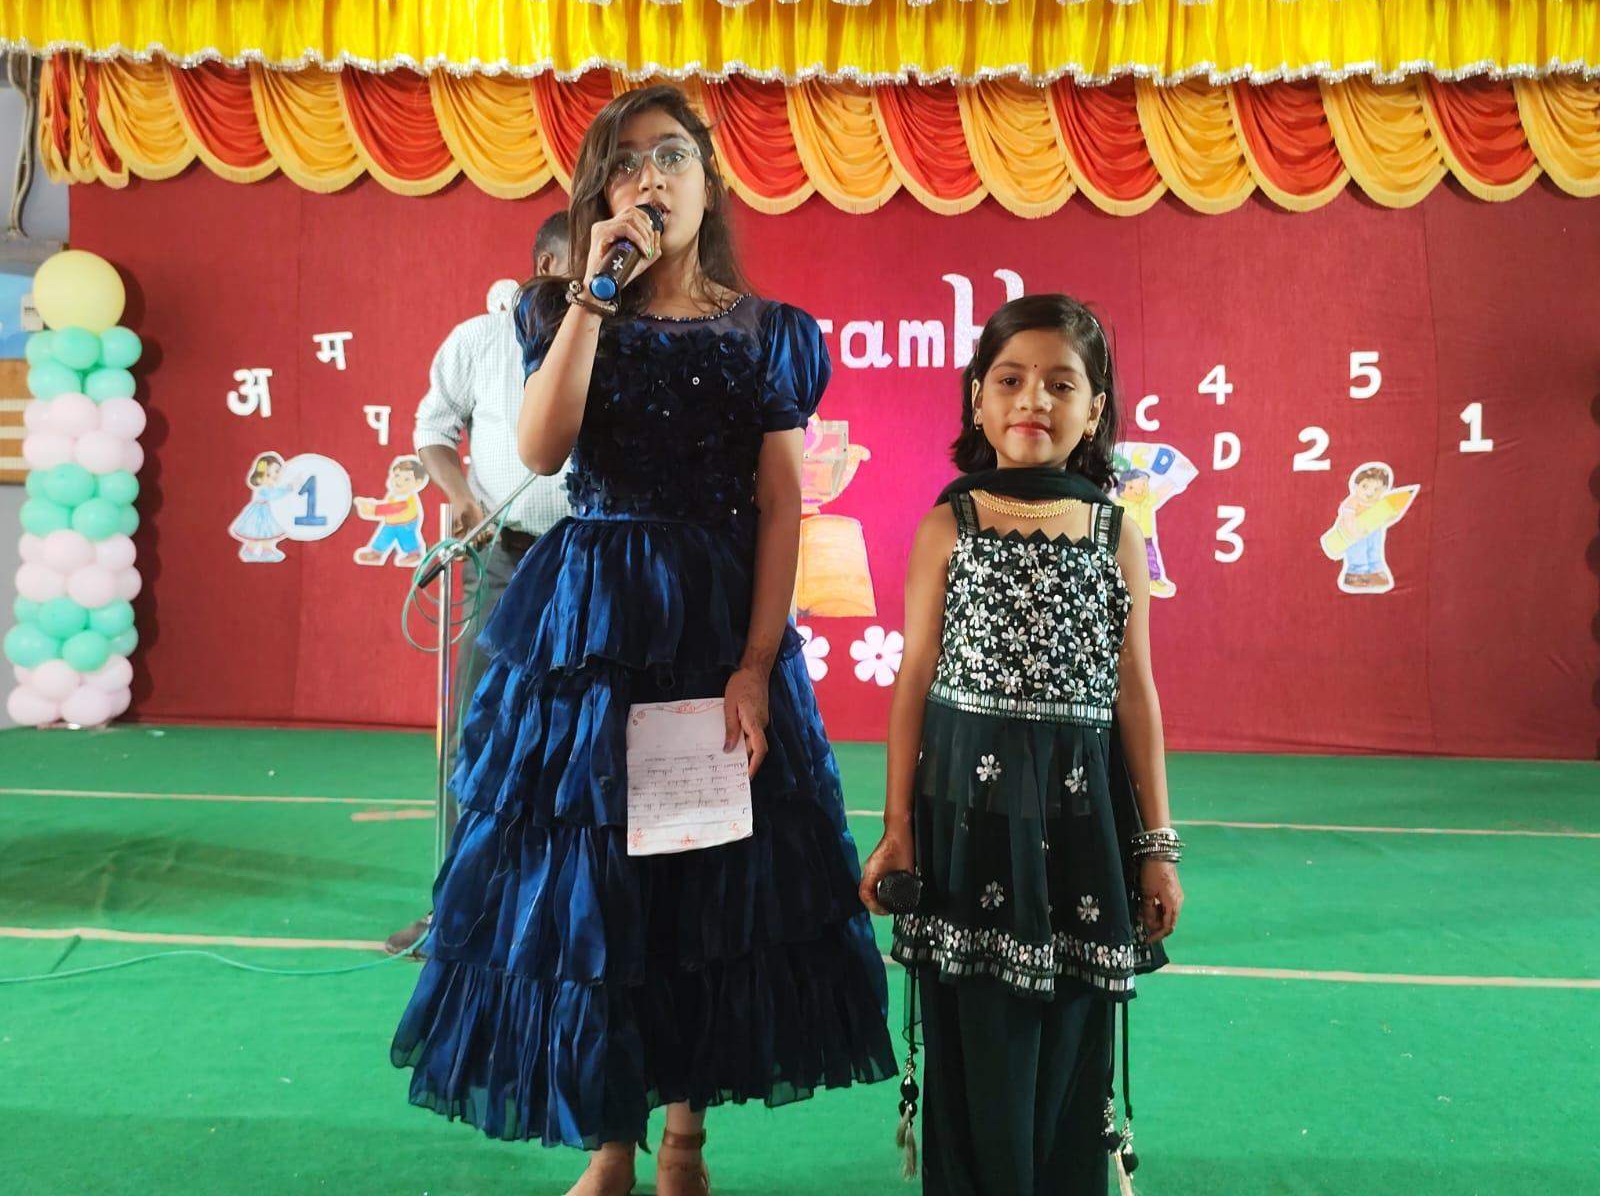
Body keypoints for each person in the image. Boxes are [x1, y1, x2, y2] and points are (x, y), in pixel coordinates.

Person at [390, 86, 894, 1196]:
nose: (649, 179)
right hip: (589, 633)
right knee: (595, 886)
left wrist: (754, 667)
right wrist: (592, 294)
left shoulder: (768, 333)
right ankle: (609, 1146)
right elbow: (540, 446)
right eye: (624, 164)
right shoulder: (557, 308)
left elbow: (780, 504)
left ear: (709, 181)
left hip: (711, 626)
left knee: (704, 879)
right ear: (597, 195)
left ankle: (684, 1143)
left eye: (671, 157)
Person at [859, 294, 1186, 1196]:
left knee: (1072, 1043)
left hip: (1083, 830)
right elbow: (914, 679)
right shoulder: (949, 525)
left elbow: (1135, 693)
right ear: (977, 399)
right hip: (966, 828)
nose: (1032, 400)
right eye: (1009, 379)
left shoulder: (1118, 534)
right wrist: (896, 830)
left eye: (1059, 384)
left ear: (1095, 408)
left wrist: (1157, 848)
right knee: (975, 1040)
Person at [384, 212, 574, 955]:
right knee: (481, 729)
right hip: (506, 557)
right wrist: (460, 494)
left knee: (588, 737)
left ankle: (568, 914)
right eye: (582, 263)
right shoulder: (479, 341)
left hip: (594, 562)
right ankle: (458, 910)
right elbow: (433, 430)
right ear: (544, 265)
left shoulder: (615, 340)